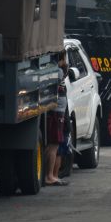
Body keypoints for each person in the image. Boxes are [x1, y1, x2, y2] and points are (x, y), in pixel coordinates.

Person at [45, 52, 69, 186]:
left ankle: (51, 175)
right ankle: (49, 176)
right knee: (54, 144)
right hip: (56, 110)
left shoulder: (59, 70)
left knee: (55, 143)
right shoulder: (58, 71)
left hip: (58, 110)